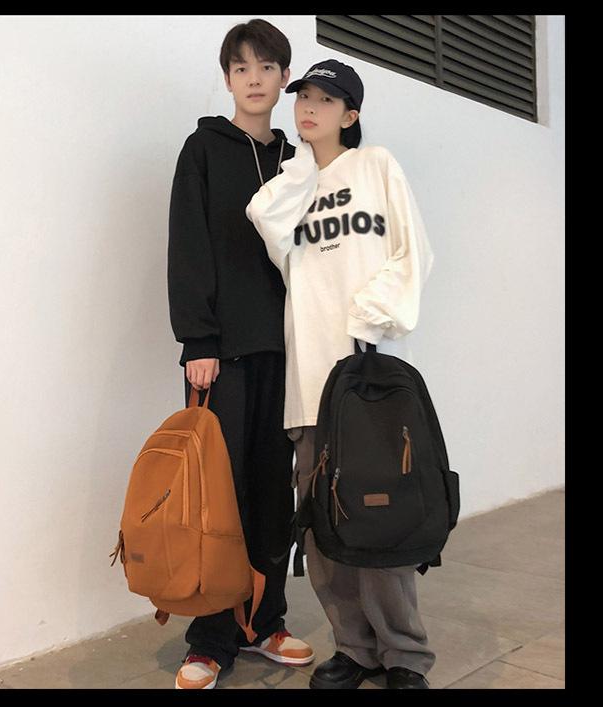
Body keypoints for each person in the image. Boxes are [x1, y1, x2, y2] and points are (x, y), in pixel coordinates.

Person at [246, 58, 436, 690]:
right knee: (323, 529)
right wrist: (303, 167)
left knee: (380, 520)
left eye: (326, 100)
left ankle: (404, 654)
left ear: (350, 114)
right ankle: (354, 648)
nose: (309, 108)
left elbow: (413, 253)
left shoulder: (376, 165)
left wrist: (367, 318)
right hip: (309, 381)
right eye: (303, 96)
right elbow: (265, 221)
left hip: (369, 378)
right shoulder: (289, 184)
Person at [166, 19, 314, 690]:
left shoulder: (299, 159)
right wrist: (198, 340)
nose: (255, 79)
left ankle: (266, 623)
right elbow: (188, 243)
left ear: (285, 79)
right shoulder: (203, 149)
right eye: (242, 68)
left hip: (288, 351)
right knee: (215, 497)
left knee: (271, 491)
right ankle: (210, 638)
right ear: (227, 78)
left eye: (267, 67)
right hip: (223, 353)